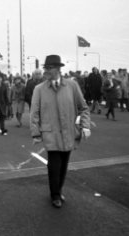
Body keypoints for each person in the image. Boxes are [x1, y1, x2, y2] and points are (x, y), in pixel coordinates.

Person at [30, 55, 91, 209]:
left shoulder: (72, 86)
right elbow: (34, 112)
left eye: (49, 68)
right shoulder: (39, 89)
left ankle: (59, 189)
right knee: (54, 166)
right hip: (51, 134)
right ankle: (55, 195)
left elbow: (83, 107)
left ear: (58, 69)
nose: (46, 71)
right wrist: (36, 133)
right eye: (46, 68)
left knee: (64, 166)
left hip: (69, 133)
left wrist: (86, 126)